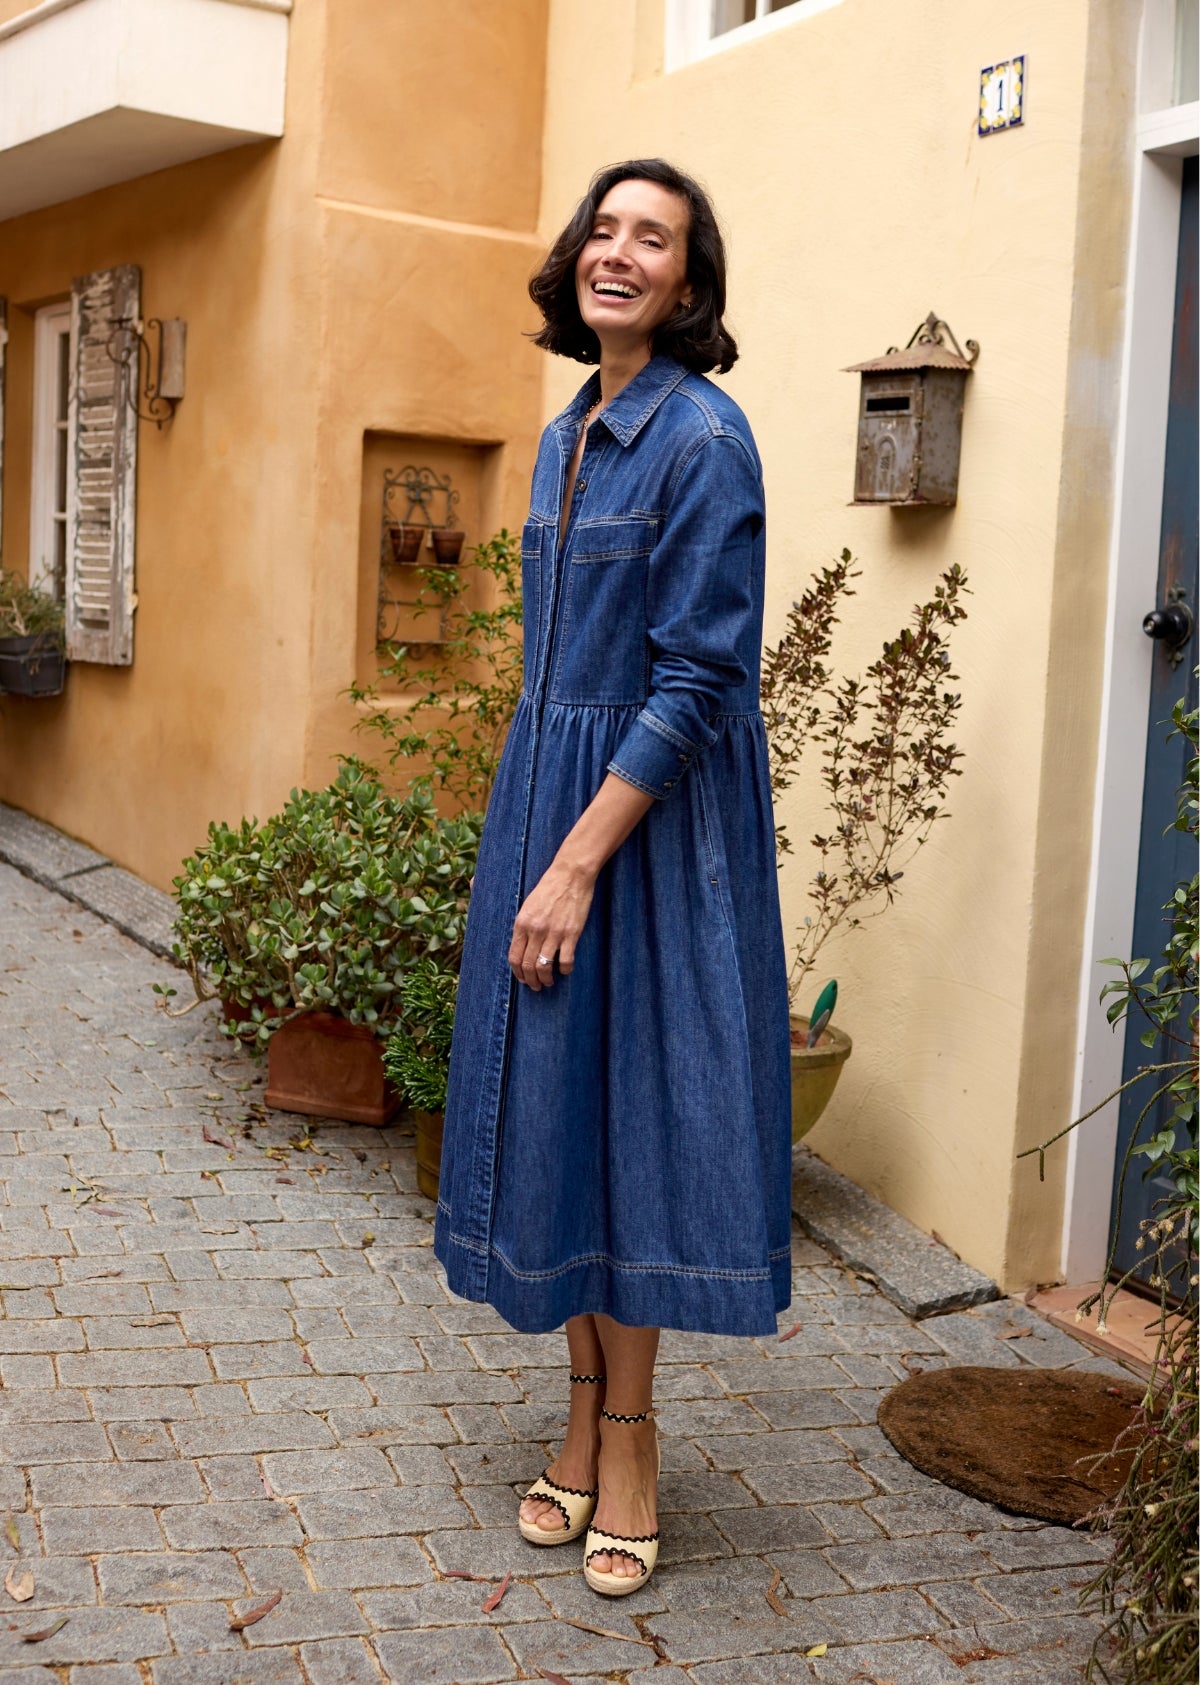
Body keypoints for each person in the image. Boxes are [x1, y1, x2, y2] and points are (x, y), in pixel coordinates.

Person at [433, 158, 792, 1597]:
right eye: (604, 228)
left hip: (645, 832)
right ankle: (581, 1417)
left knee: (633, 1121)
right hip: (549, 800)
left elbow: (700, 679)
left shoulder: (705, 439)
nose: (619, 251)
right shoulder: (564, 431)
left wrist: (577, 864)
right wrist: (535, 838)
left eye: (654, 237)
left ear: (689, 282)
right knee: (558, 1113)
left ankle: (630, 1442)